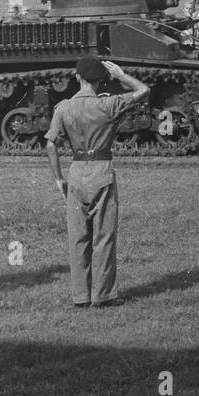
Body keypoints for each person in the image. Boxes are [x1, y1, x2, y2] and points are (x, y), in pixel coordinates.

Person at [44, 57, 150, 308]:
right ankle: (103, 295)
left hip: (76, 170)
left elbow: (51, 143)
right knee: (103, 235)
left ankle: (80, 296)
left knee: (78, 237)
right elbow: (144, 90)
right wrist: (121, 75)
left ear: (77, 77)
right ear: (101, 79)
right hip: (101, 169)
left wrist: (59, 178)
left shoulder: (63, 108)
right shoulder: (108, 104)